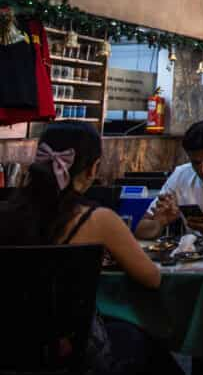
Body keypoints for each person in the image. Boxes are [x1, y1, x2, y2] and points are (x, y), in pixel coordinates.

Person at [0, 123, 180, 374]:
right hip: (73, 353)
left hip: (8, 347)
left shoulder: (7, 214)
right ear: (93, 168)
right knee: (146, 344)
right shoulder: (98, 219)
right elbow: (152, 278)